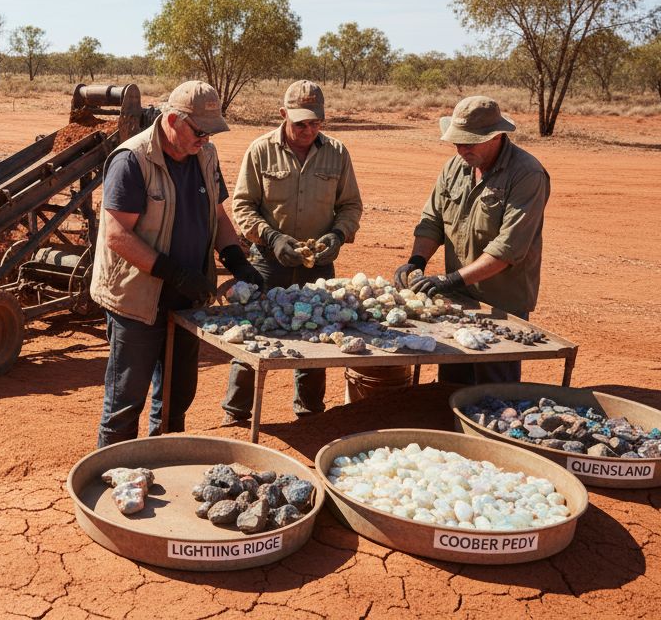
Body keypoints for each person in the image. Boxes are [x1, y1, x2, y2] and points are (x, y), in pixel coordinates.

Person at [90, 80, 265, 447]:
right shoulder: (132, 160)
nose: (206, 139)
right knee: (125, 401)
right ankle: (112, 479)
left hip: (187, 299)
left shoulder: (205, 154)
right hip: (137, 301)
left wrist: (236, 260)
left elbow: (217, 215)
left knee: (175, 396)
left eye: (211, 132)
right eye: (200, 131)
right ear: (172, 119)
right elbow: (116, 235)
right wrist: (172, 272)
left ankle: (163, 463)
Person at [222, 80, 363, 421]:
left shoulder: (337, 153)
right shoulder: (260, 150)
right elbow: (242, 206)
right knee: (254, 336)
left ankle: (311, 416)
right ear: (283, 115)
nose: (309, 130)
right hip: (269, 264)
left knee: (316, 338)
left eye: (316, 122)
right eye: (301, 123)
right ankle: (236, 414)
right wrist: (271, 237)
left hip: (317, 267)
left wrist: (338, 236)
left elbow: (350, 206)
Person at [393, 95, 550, 384]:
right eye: (457, 141)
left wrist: (450, 280)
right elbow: (432, 222)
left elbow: (508, 248)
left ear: (496, 137)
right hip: (458, 299)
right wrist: (416, 261)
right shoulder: (454, 167)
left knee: (495, 385)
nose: (461, 148)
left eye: (469, 142)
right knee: (452, 379)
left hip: (501, 303)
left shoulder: (527, 174)